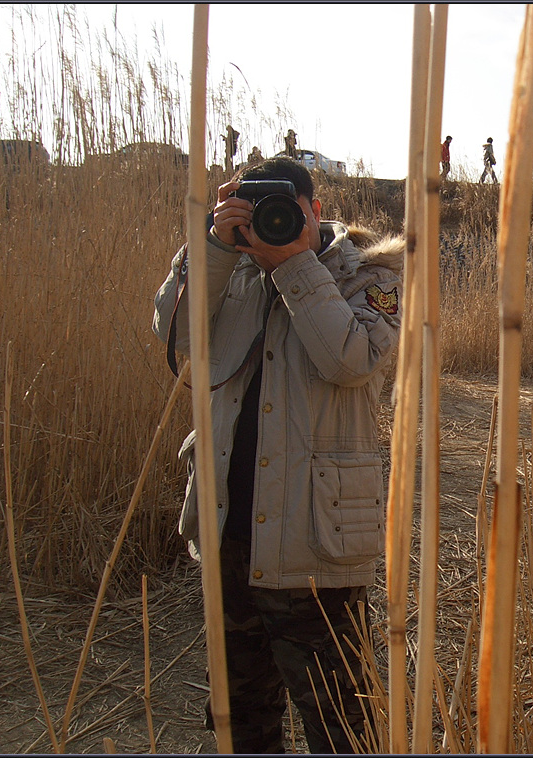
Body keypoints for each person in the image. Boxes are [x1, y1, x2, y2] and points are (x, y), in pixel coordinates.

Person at [152, 156, 404, 754]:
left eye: (290, 209)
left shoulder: (370, 273)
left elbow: (352, 359)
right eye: (258, 209)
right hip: (229, 534)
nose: (274, 219)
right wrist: (214, 245)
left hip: (316, 549)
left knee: (343, 726)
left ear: (316, 211)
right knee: (240, 719)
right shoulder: (229, 264)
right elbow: (178, 337)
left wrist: (292, 264)